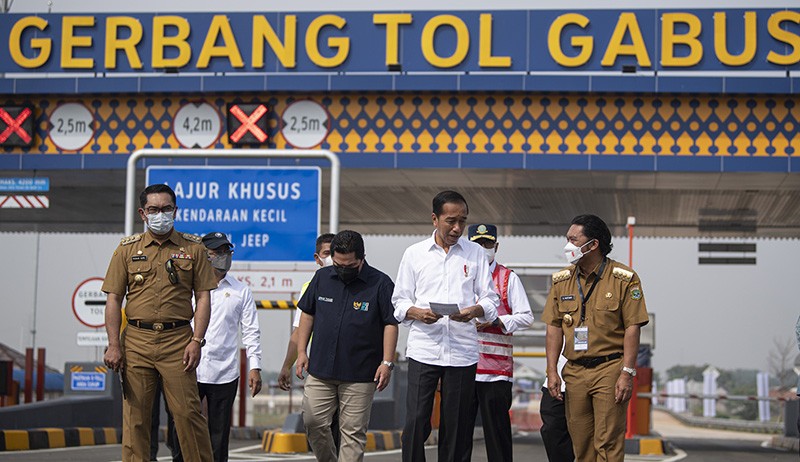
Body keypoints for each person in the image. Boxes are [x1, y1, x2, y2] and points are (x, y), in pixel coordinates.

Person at [102, 183, 216, 462]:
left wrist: (197, 341)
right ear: (143, 213)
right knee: (136, 417)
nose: (160, 214)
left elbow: (203, 297)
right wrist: (113, 345)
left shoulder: (194, 248)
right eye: (154, 209)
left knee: (188, 414)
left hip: (178, 341)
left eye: (166, 209)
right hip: (137, 342)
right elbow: (114, 300)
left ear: (175, 211)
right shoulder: (126, 250)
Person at [392, 190, 500, 462]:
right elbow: (399, 302)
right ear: (434, 219)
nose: (457, 228)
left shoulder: (475, 253)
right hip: (424, 349)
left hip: (462, 351)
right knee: (417, 421)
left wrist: (474, 310)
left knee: (458, 424)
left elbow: (490, 298)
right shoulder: (414, 253)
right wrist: (417, 312)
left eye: (462, 221)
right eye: (451, 221)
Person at [542, 214, 649, 462]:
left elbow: (633, 327)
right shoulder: (562, 281)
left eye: (573, 239)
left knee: (607, 444)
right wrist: (551, 372)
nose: (567, 245)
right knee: (581, 446)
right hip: (575, 372)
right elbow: (553, 328)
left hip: (610, 369)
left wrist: (627, 373)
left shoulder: (624, 278)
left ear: (593, 244)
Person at [295, 230, 399, 462]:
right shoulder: (322, 278)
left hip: (360, 374)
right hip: (321, 370)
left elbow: (390, 324)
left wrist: (387, 362)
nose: (343, 269)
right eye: (338, 264)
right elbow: (307, 314)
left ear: (361, 258)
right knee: (313, 421)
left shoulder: (380, 283)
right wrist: (302, 351)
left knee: (352, 433)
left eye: (350, 265)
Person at [166, 232, 263, 462]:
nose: (223, 257)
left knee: (218, 434)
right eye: (217, 252)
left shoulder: (241, 291)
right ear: (204, 256)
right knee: (180, 427)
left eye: (226, 252)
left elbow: (251, 331)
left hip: (224, 372)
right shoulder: (186, 289)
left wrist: (255, 367)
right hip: (187, 367)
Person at [462, 223, 533, 462]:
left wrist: (496, 322)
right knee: (458, 435)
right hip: (462, 368)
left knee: (497, 434)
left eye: (487, 243)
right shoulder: (458, 274)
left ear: (496, 246)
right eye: (477, 244)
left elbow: (526, 317)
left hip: (495, 373)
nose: (482, 248)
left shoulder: (507, 278)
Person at [277, 233, 335, 391]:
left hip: (352, 367)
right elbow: (299, 331)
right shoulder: (310, 288)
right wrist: (287, 366)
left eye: (335, 252)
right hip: (320, 367)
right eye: (327, 254)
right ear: (317, 258)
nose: (331, 258)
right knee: (314, 415)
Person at [540, 355, 575, 462]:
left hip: (589, 376)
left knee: (587, 433)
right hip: (558, 378)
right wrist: (551, 372)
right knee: (551, 428)